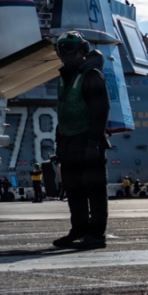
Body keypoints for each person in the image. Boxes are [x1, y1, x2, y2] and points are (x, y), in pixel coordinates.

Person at [52, 31, 111, 250]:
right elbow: (63, 111)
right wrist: (60, 142)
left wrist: (94, 142)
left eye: (69, 49)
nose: (64, 54)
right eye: (61, 49)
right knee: (74, 190)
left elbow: (101, 110)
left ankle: (96, 235)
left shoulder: (91, 75)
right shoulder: (65, 76)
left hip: (88, 141)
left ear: (81, 50)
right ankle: (79, 229)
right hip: (69, 144)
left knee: (94, 191)